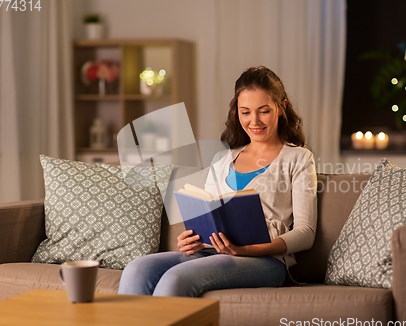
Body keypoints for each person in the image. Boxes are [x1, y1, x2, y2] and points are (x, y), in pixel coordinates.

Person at [118, 66, 317, 297]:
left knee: (175, 279)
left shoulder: (299, 158)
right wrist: (191, 240)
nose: (254, 121)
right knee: (137, 269)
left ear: (281, 107)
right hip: (211, 252)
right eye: (245, 112)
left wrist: (246, 249)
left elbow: (306, 232)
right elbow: (210, 215)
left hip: (265, 259)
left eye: (264, 111)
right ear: (237, 112)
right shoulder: (222, 159)